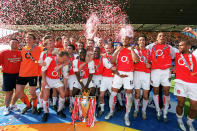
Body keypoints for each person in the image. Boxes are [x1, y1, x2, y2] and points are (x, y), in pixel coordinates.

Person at [105, 25, 139, 126]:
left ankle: (126, 116)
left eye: (126, 39)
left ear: (129, 40)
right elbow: (111, 61)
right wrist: (116, 51)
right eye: (123, 39)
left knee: (129, 95)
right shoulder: (118, 50)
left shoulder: (133, 49)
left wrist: (131, 50)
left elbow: (136, 60)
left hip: (129, 75)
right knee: (113, 93)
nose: (124, 41)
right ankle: (111, 111)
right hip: (118, 74)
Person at [146, 32, 176, 122]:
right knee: (155, 91)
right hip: (155, 71)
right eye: (160, 36)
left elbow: (174, 56)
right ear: (157, 38)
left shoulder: (169, 47)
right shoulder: (151, 47)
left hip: (166, 72)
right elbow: (143, 50)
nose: (162, 37)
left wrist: (171, 66)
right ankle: (158, 111)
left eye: (163, 36)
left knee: (166, 91)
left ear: (165, 38)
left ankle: (165, 112)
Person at [11, 33, 42, 114]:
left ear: (34, 40)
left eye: (30, 38)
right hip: (22, 74)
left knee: (32, 92)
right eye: (27, 37)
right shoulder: (22, 49)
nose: (28, 39)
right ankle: (28, 105)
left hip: (33, 74)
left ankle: (35, 107)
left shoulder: (39, 49)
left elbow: (51, 50)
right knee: (18, 92)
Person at [174, 29, 197, 131]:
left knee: (194, 107)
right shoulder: (176, 54)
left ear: (188, 46)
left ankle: (189, 122)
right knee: (180, 104)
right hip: (180, 83)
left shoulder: (194, 55)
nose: (179, 47)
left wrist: (192, 32)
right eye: (179, 46)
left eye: (182, 45)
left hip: (193, 84)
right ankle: (179, 120)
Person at [41, 51, 69, 122]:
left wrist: (65, 87)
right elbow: (43, 70)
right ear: (59, 56)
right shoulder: (49, 59)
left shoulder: (64, 64)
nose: (65, 60)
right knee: (46, 95)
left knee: (63, 93)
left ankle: (59, 110)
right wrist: (44, 81)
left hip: (57, 80)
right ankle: (46, 112)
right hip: (47, 78)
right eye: (64, 59)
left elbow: (65, 76)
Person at [0, 38, 22, 115]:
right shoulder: (4, 53)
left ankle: (13, 105)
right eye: (12, 43)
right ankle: (6, 107)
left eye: (16, 43)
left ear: (18, 44)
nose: (14, 44)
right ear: (9, 44)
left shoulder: (21, 53)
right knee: (9, 92)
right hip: (7, 75)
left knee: (18, 92)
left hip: (18, 75)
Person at [133, 36, 151, 120]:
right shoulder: (135, 51)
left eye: (143, 40)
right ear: (138, 42)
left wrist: (150, 65)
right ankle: (136, 110)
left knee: (145, 94)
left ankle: (144, 111)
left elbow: (152, 62)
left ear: (145, 41)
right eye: (140, 40)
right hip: (137, 73)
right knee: (137, 94)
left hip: (146, 74)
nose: (142, 41)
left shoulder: (149, 51)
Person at [97, 43, 115, 118]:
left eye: (109, 48)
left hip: (113, 78)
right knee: (101, 95)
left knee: (113, 96)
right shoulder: (102, 56)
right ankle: (102, 109)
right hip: (104, 78)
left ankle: (111, 111)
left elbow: (115, 68)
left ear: (112, 48)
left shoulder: (115, 56)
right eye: (106, 48)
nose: (108, 49)